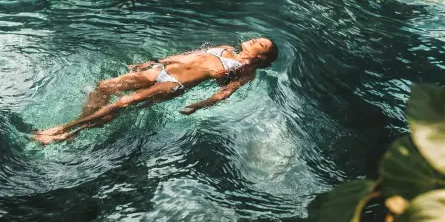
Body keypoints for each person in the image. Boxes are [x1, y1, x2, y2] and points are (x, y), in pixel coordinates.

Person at [32, 38, 277, 145]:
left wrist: (201, 105)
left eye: (260, 44)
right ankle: (81, 126)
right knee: (104, 88)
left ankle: (63, 130)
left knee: (120, 104)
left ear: (261, 56)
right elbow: (187, 55)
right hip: (158, 71)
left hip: (172, 85)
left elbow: (225, 93)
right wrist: (153, 62)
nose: (254, 39)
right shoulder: (224, 48)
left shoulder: (245, 72)